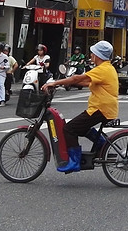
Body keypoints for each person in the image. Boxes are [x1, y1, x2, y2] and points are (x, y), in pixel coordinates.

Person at [41, 40, 118, 173]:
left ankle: (74, 161)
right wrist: (68, 83)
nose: (91, 56)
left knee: (69, 129)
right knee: (81, 128)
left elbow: (77, 78)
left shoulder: (102, 69)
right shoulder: (107, 68)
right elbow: (86, 82)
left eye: (93, 53)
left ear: (98, 55)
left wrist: (54, 83)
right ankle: (102, 144)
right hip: (104, 108)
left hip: (101, 108)